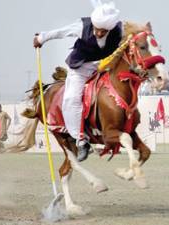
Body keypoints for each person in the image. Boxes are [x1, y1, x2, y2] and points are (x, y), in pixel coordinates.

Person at [33, 1, 122, 161]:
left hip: (105, 68)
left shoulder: (118, 30)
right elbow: (61, 32)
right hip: (80, 69)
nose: (99, 33)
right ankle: (81, 141)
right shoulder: (83, 26)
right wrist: (41, 38)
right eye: (97, 30)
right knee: (71, 99)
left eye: (103, 31)